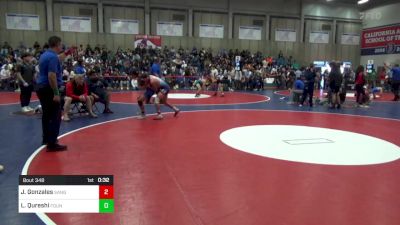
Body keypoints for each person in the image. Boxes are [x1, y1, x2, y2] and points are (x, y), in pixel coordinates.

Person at [36, 36, 74, 151]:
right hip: (49, 89)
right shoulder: (52, 57)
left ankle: (46, 139)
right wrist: (56, 93)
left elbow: (58, 58)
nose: (62, 46)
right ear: (57, 44)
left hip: (41, 87)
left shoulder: (45, 55)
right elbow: (51, 76)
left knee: (46, 115)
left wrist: (68, 52)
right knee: (55, 115)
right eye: (61, 45)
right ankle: (52, 143)